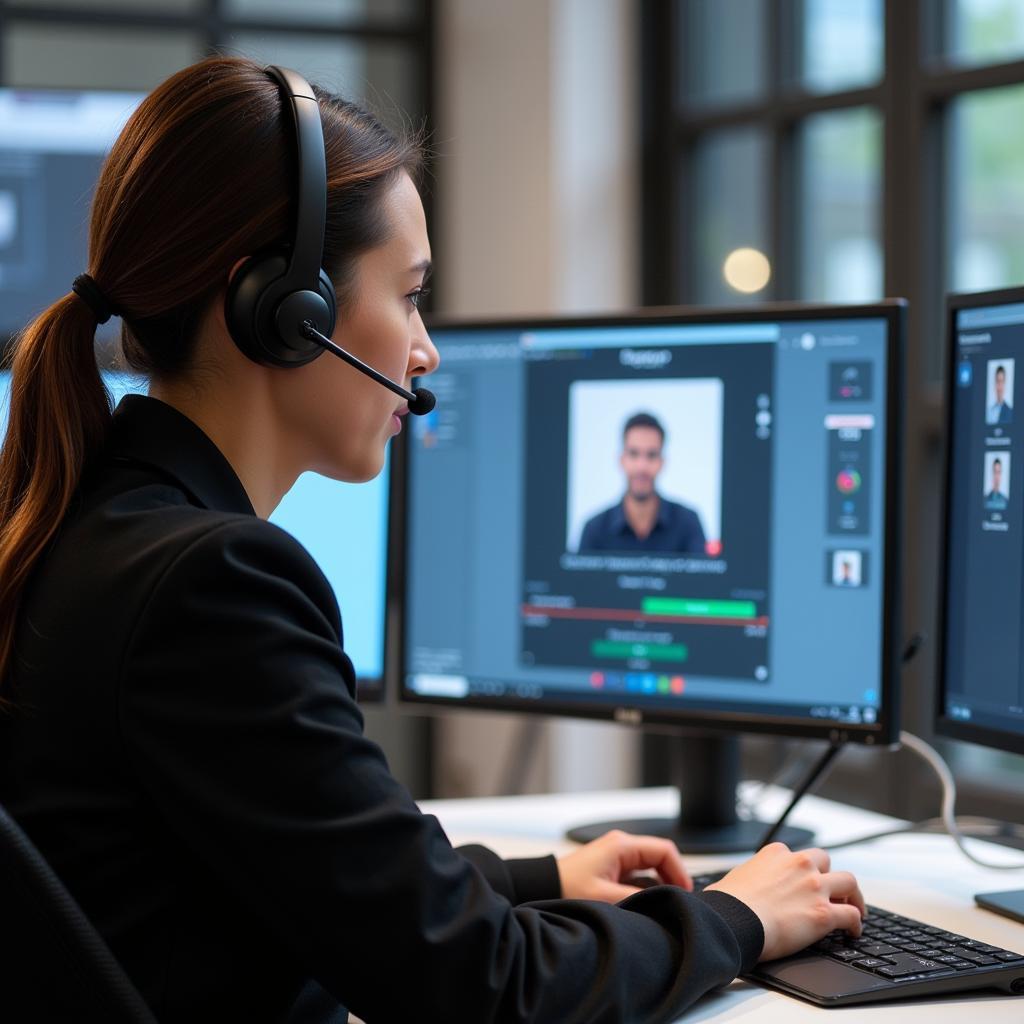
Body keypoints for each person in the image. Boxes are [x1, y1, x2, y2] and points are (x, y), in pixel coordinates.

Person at [0, 57, 864, 1023]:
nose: (426, 350)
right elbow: (485, 989)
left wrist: (541, 874)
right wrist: (734, 917)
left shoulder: (89, 525)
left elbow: (296, 864)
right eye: (408, 295)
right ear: (288, 315)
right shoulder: (212, 583)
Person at [578, 412, 707, 554]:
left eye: (651, 455)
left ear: (661, 462)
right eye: (634, 453)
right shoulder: (594, 529)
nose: (642, 466)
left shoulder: (688, 523)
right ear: (622, 460)